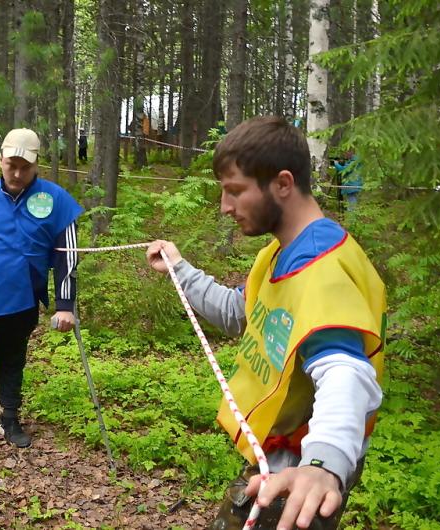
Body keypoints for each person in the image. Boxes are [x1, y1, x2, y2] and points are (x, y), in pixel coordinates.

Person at [146, 116, 386, 530]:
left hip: (300, 472)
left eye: (235, 191)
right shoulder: (281, 255)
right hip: (277, 461)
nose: (225, 206)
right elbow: (239, 314)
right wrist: (179, 268)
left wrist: (323, 464)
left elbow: (345, 370)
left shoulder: (323, 271)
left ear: (283, 184)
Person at [0, 128, 82, 448]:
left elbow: (69, 256)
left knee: (12, 358)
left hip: (22, 298)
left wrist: (65, 304)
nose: (18, 173)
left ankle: (9, 417)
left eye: (25, 166)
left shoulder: (56, 200)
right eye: (11, 165)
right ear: (0, 161)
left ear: (37, 164)